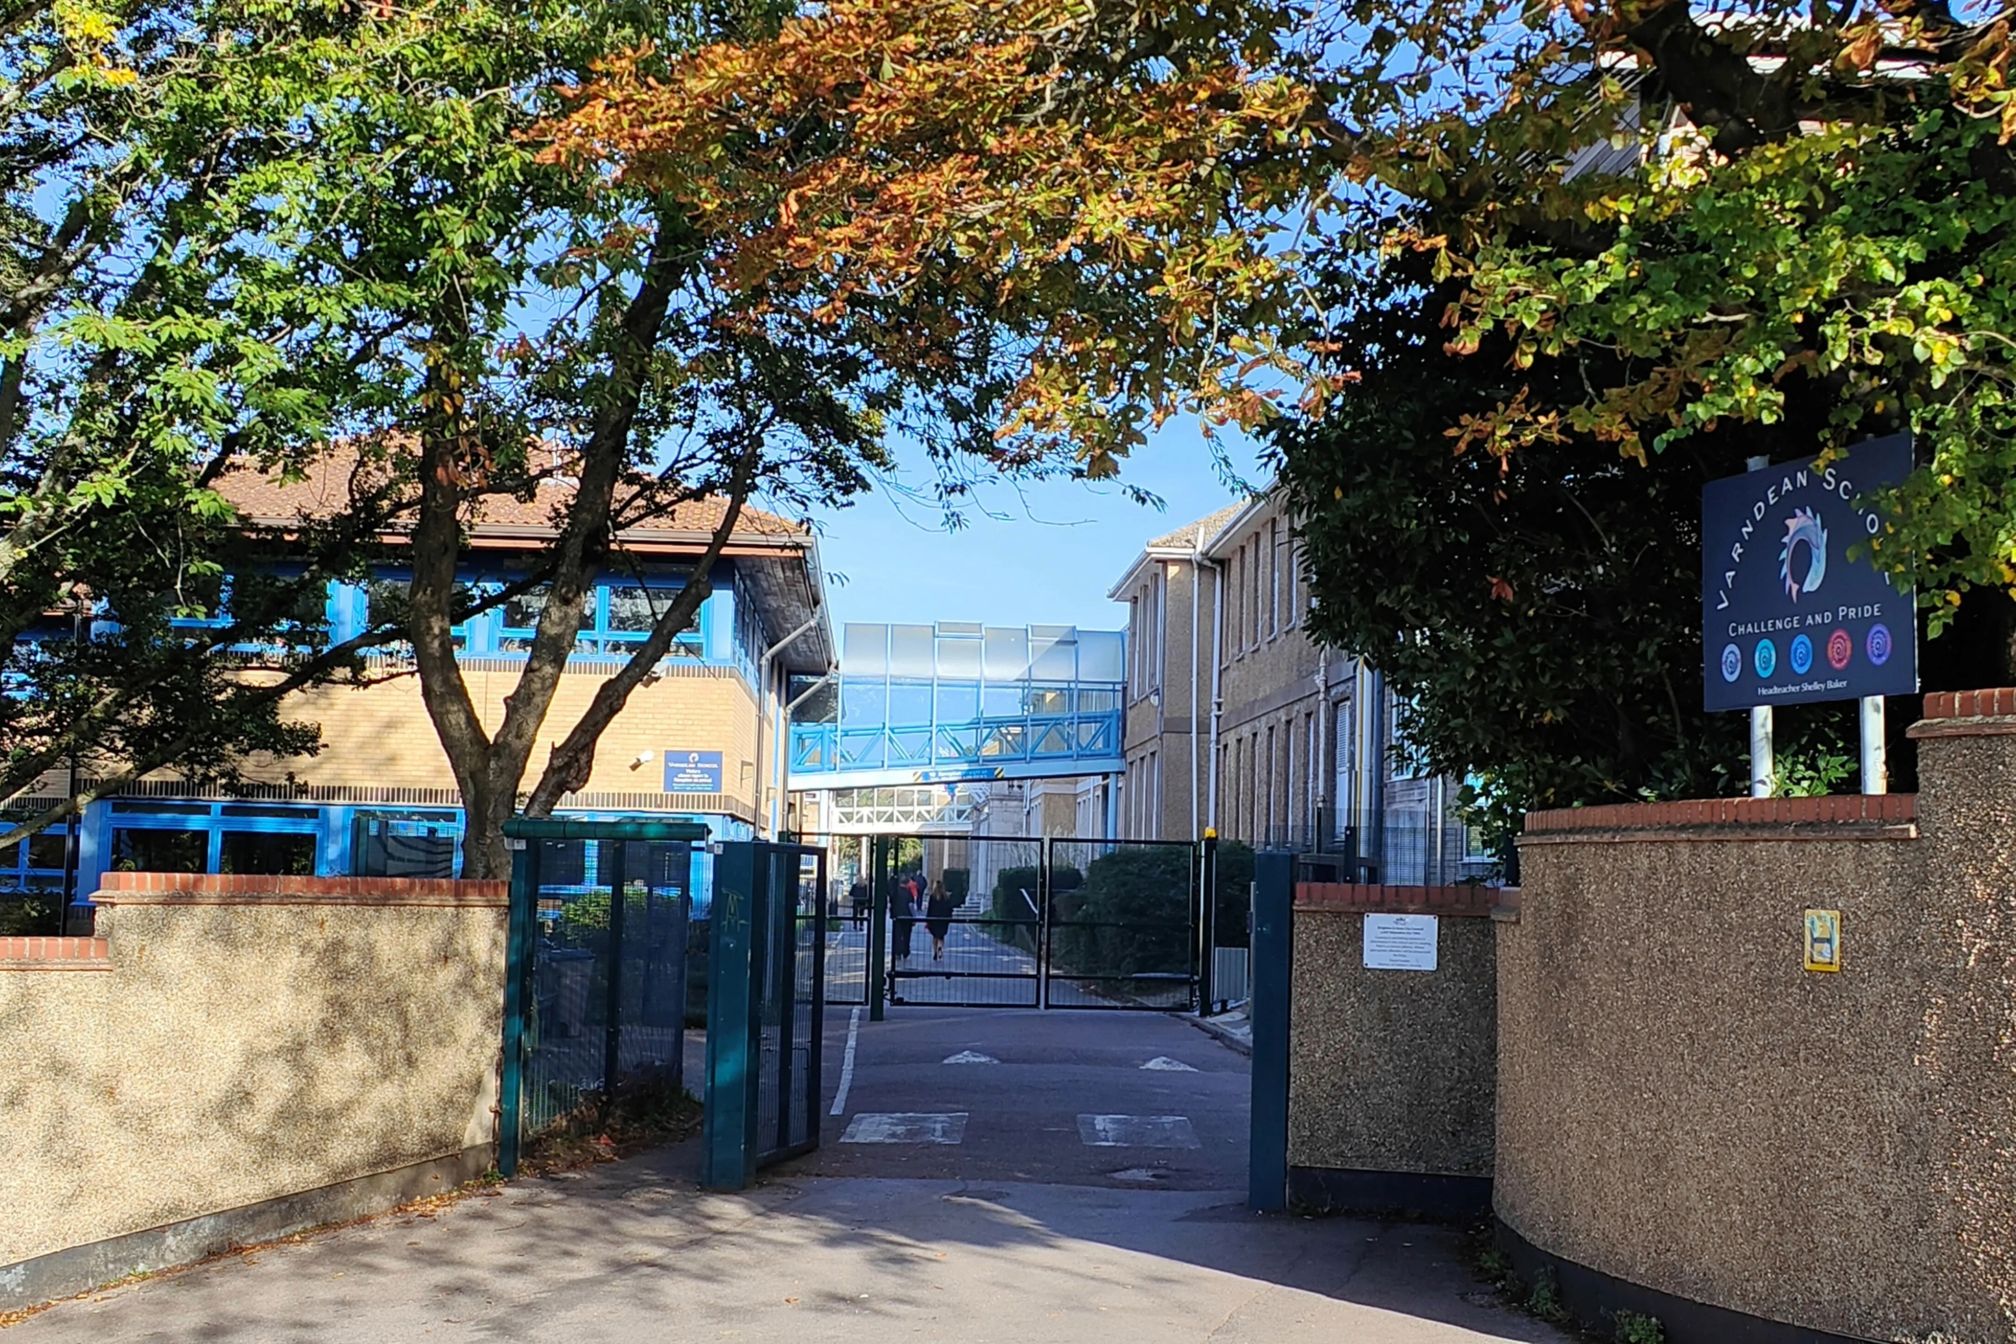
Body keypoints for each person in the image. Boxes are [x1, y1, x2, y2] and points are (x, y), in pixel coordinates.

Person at [925, 878, 956, 962]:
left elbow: (929, 909)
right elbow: (949, 909)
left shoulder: (932, 897)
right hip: (943, 920)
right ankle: (940, 948)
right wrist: (949, 918)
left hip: (934, 920)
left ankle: (935, 951)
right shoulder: (946, 897)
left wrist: (927, 919)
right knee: (941, 937)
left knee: (935, 936)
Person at [893, 873, 919, 961]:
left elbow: (892, 904)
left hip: (898, 916)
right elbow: (911, 906)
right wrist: (914, 918)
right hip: (907, 917)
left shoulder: (896, 892)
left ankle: (897, 951)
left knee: (897, 934)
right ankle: (906, 951)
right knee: (906, 935)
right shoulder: (908, 893)